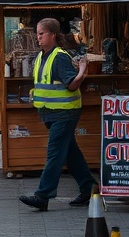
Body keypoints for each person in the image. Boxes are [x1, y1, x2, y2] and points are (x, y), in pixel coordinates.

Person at [19, 18, 97, 211]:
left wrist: (82, 71)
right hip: (51, 114)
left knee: (54, 154)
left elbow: (72, 85)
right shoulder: (42, 56)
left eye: (41, 33)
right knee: (70, 152)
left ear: (52, 35)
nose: (38, 37)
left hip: (65, 113)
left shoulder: (59, 57)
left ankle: (43, 195)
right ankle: (89, 188)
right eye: (37, 33)